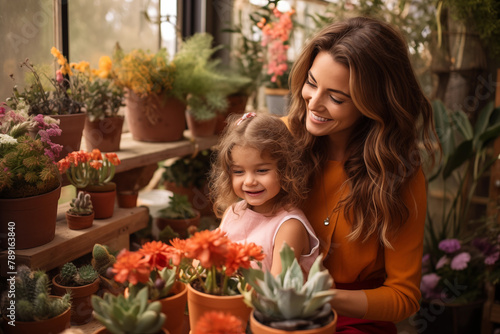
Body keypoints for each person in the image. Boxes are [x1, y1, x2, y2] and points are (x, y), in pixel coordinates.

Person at [285, 16, 437, 333]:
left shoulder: (400, 174)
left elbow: (403, 297)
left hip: (356, 324)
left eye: (336, 98)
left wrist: (322, 297)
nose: (314, 102)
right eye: (311, 83)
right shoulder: (280, 141)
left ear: (374, 104)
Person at [210, 112, 320, 276]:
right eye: (238, 171)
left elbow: (276, 291)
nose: (249, 181)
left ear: (285, 169)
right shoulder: (233, 213)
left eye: (261, 170)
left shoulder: (289, 227)